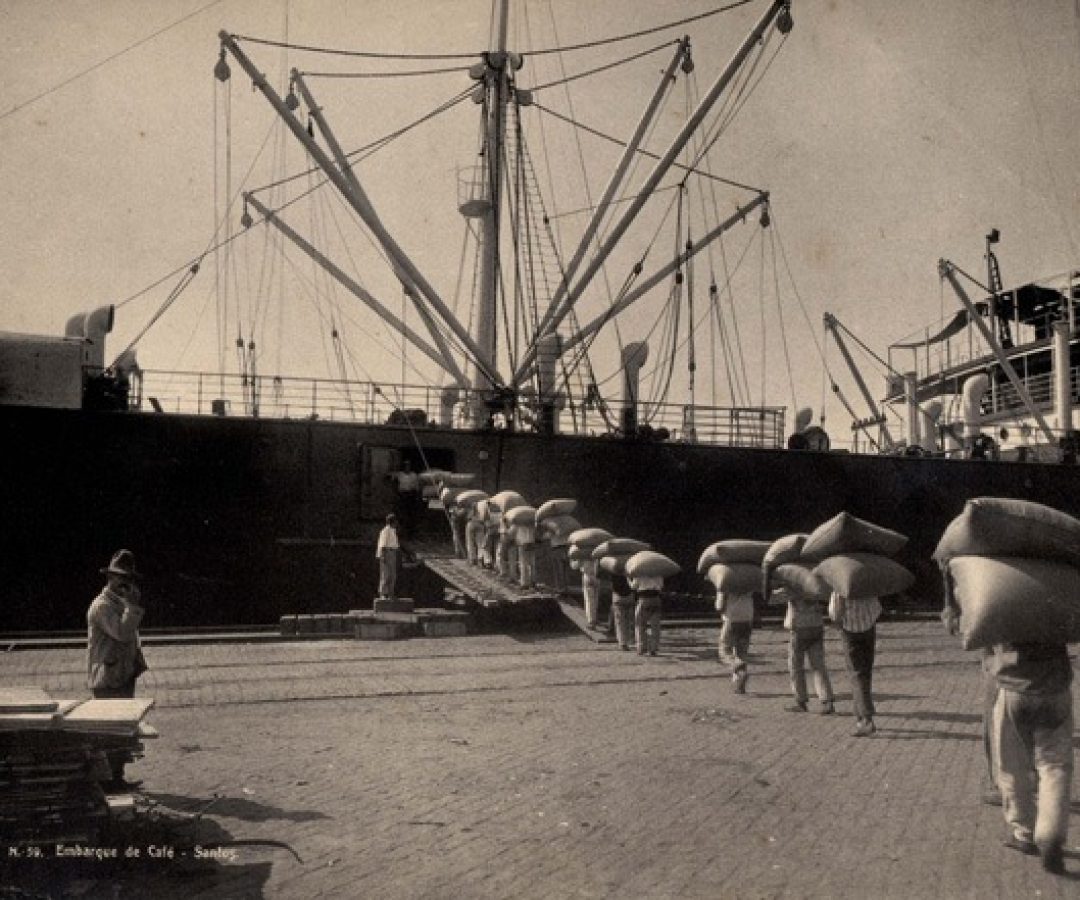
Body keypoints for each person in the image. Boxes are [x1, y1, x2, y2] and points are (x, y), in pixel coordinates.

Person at [988, 641, 1073, 874]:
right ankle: (1050, 834)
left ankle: (1024, 831)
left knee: (1012, 762)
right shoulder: (1056, 603)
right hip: (1055, 687)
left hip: (1013, 685)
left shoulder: (1004, 604)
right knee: (1054, 764)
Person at [86, 549, 148, 790]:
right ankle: (107, 783)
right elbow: (122, 634)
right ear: (109, 578)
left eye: (128, 578)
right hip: (107, 676)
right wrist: (133, 607)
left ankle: (117, 778)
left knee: (122, 728)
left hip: (122, 672)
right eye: (120, 577)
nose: (125, 583)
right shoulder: (101, 606)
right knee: (109, 730)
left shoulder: (119, 602)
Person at [941, 563, 1001, 806]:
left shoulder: (974, 551)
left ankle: (998, 781)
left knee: (995, 715)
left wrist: (951, 609)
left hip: (996, 653)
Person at [773, 586, 834, 714]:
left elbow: (773, 598)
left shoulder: (793, 584)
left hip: (799, 627)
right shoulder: (815, 583)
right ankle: (826, 700)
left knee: (795, 666)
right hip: (817, 625)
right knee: (818, 666)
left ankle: (801, 701)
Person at [829, 590, 881, 736]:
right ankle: (860, 711)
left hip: (850, 630)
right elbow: (877, 608)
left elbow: (834, 612)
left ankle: (866, 718)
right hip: (869, 629)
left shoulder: (841, 584)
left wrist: (838, 622)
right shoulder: (866, 583)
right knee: (866, 670)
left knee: (856, 673)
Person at [717, 591, 754, 693]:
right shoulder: (748, 582)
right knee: (742, 652)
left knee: (724, 650)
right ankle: (740, 686)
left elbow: (719, 606)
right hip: (747, 619)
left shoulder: (725, 582)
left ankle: (737, 665)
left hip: (732, 620)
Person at [630, 572, 664, 656]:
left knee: (640, 624)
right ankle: (653, 648)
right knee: (655, 625)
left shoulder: (640, 573)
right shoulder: (659, 574)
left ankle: (641, 647)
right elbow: (661, 586)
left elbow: (633, 586)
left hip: (644, 598)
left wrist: (628, 579)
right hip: (656, 598)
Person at [391, 460, 421, 537]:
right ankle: (401, 531)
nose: (407, 468)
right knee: (401, 513)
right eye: (405, 466)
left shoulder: (414, 475)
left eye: (408, 466)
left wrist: (417, 496)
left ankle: (410, 532)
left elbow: (417, 487)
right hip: (402, 495)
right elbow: (391, 477)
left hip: (411, 495)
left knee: (411, 514)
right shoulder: (400, 475)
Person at [376, 514, 402, 600]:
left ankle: (391, 593)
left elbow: (395, 544)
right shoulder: (385, 531)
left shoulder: (393, 531)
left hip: (392, 552)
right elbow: (382, 544)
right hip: (387, 552)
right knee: (385, 574)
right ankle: (383, 594)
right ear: (392, 522)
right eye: (395, 521)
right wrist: (383, 556)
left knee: (392, 575)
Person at [610, 568, 635, 650]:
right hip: (629, 596)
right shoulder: (631, 570)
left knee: (620, 621)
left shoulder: (614, 571)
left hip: (618, 597)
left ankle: (622, 643)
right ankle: (629, 640)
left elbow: (613, 585)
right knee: (628, 619)